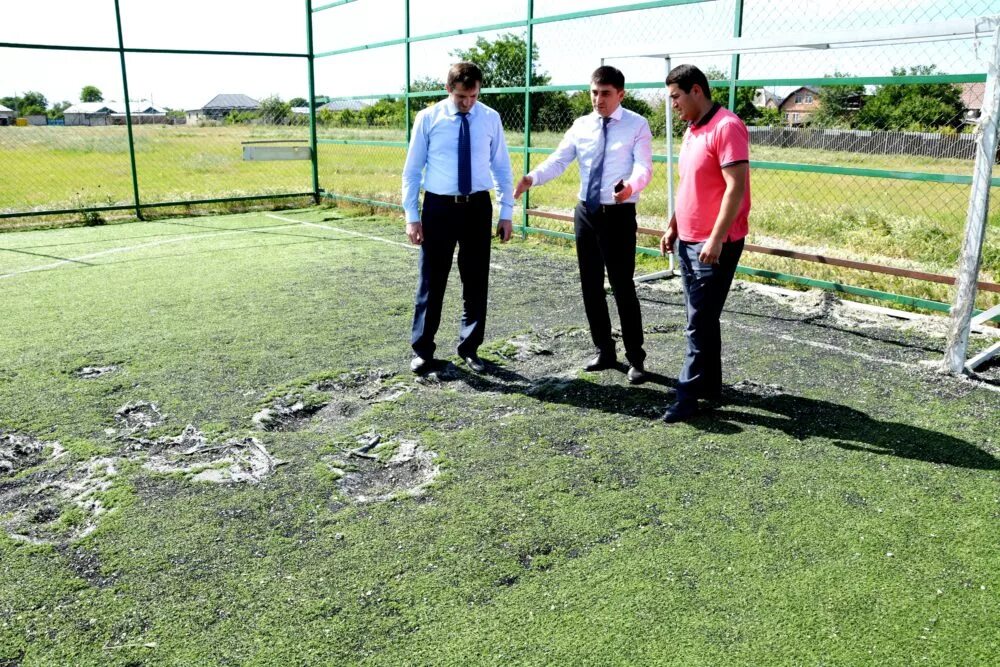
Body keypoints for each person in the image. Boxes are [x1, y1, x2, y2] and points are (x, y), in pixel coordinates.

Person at [514, 66, 653, 384]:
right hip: (586, 213)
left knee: (622, 286)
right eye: (594, 92)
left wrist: (631, 186)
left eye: (605, 93)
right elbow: (560, 160)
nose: (598, 99)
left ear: (620, 94)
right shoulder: (581, 126)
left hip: (618, 214)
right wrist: (531, 178)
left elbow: (644, 166)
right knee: (590, 285)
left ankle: (636, 358)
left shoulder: (637, 125)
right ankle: (604, 350)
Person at [402, 62, 515, 374]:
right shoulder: (428, 119)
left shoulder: (490, 118)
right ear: (448, 89)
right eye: (461, 96)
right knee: (432, 280)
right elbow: (412, 171)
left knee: (476, 279)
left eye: (473, 96)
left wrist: (507, 213)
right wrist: (412, 216)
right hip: (438, 207)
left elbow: (502, 168)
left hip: (478, 206)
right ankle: (423, 350)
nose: (467, 103)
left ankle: (470, 347)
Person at [659, 64, 751, 423]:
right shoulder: (693, 130)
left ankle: (687, 397)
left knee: (698, 322)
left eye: (676, 97)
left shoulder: (727, 126)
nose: (673, 106)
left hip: (714, 244)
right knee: (702, 317)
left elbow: (736, 187)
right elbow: (689, 186)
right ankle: (710, 386)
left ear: (696, 90)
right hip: (688, 239)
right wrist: (673, 226)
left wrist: (714, 238)